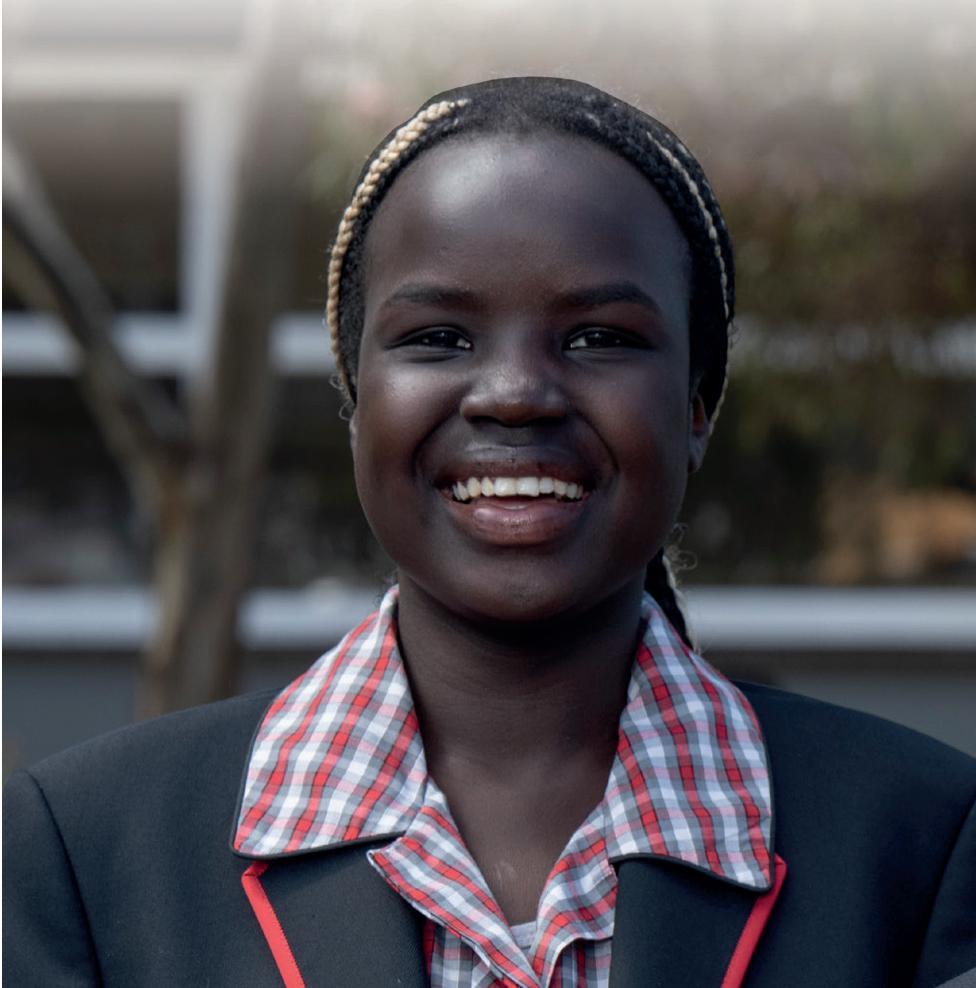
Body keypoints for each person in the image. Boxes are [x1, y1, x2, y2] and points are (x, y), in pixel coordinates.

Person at [4, 77, 975, 988]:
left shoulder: (926, 848)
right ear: (356, 401)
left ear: (695, 408)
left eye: (599, 337)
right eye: (438, 338)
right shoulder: (81, 856)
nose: (514, 393)